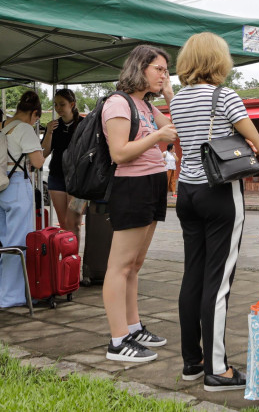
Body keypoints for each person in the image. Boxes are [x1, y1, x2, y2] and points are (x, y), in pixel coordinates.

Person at [168, 32, 259, 392]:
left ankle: (193, 362)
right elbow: (256, 142)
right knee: (218, 281)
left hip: (187, 191)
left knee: (193, 274)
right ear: (218, 61)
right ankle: (217, 369)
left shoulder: (177, 101)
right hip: (220, 192)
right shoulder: (226, 96)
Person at [101, 45, 176, 363]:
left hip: (153, 183)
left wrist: (171, 96)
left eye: (165, 70)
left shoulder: (144, 104)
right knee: (119, 266)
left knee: (134, 265)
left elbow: (177, 132)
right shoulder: (118, 103)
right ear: (140, 68)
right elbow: (119, 152)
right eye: (159, 69)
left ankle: (133, 326)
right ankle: (118, 341)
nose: (164, 75)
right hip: (131, 186)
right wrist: (156, 136)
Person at [0, 91, 45, 307]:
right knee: (18, 245)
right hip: (16, 186)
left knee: (5, 244)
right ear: (34, 113)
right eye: (37, 118)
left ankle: (5, 292)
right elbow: (37, 162)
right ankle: (11, 297)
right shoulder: (24, 129)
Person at [41, 88, 83, 231]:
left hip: (78, 181)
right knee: (63, 223)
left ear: (72, 104)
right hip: (56, 177)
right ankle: (66, 253)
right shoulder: (54, 126)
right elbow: (44, 153)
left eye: (62, 104)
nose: (58, 108)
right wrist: (49, 132)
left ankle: (74, 254)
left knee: (75, 223)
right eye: (55, 104)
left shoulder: (85, 124)